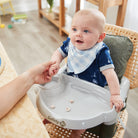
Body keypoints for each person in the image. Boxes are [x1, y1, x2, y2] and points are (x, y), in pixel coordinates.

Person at [49, 9, 124, 138]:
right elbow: (58, 53)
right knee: (58, 98)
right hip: (71, 83)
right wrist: (55, 63)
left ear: (100, 37)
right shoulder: (70, 44)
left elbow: (110, 74)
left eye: (86, 31)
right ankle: (55, 116)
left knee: (86, 110)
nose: (78, 34)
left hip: (92, 90)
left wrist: (116, 94)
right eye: (74, 29)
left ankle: (78, 130)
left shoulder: (101, 52)